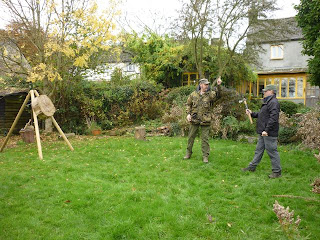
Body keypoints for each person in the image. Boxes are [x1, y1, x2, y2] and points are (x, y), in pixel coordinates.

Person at [242, 84, 282, 178]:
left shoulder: (273, 102)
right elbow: (262, 115)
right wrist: (252, 114)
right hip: (263, 132)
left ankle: (277, 172)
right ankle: (252, 167)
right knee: (258, 150)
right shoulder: (267, 102)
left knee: (272, 151)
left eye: (266, 91)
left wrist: (266, 130)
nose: (263, 92)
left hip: (268, 133)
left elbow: (273, 118)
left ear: (271, 91)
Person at [183, 77, 222, 163]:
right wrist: (188, 114)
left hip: (205, 120)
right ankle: (188, 153)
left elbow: (218, 95)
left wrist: (219, 85)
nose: (207, 86)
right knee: (191, 137)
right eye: (205, 84)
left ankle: (205, 156)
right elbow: (188, 104)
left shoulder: (210, 94)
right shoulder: (193, 94)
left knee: (205, 139)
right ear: (201, 85)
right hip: (194, 119)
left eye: (208, 85)